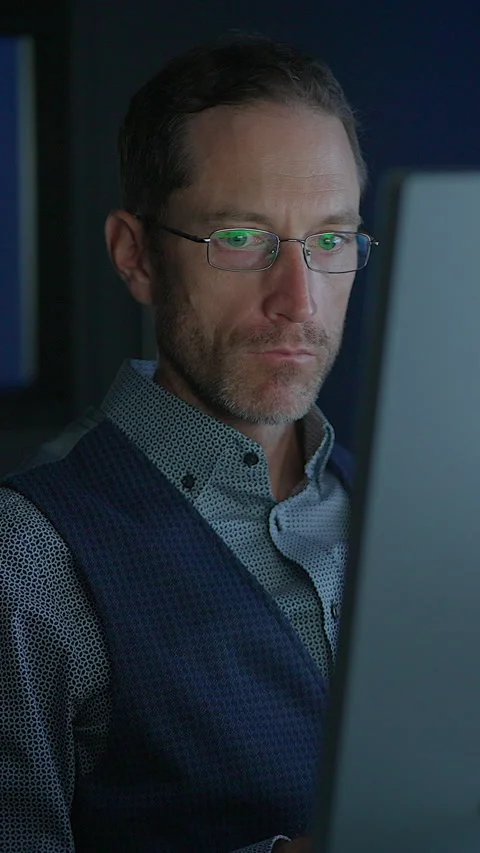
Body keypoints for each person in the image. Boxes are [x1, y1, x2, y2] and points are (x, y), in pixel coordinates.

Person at [0, 31, 375, 853]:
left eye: (330, 239)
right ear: (136, 257)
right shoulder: (26, 553)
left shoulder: (402, 515)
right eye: (240, 239)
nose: (298, 300)